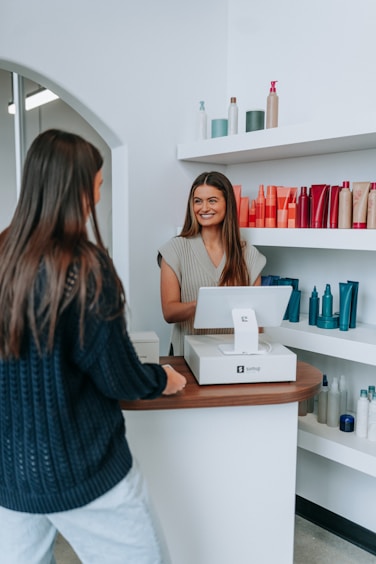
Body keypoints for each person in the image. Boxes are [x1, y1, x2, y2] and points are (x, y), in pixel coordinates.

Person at [0, 129, 186, 564]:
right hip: (83, 468)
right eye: (97, 187)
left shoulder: (2, 256)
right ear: (76, 189)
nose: (97, 200)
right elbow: (116, 374)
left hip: (12, 475)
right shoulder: (83, 268)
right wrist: (161, 378)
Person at [158, 171, 266, 355]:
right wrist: (202, 303)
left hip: (234, 355)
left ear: (228, 204)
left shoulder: (248, 254)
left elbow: (256, 322)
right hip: (187, 356)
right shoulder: (175, 249)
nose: (204, 208)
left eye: (212, 200)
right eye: (198, 201)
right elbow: (169, 312)